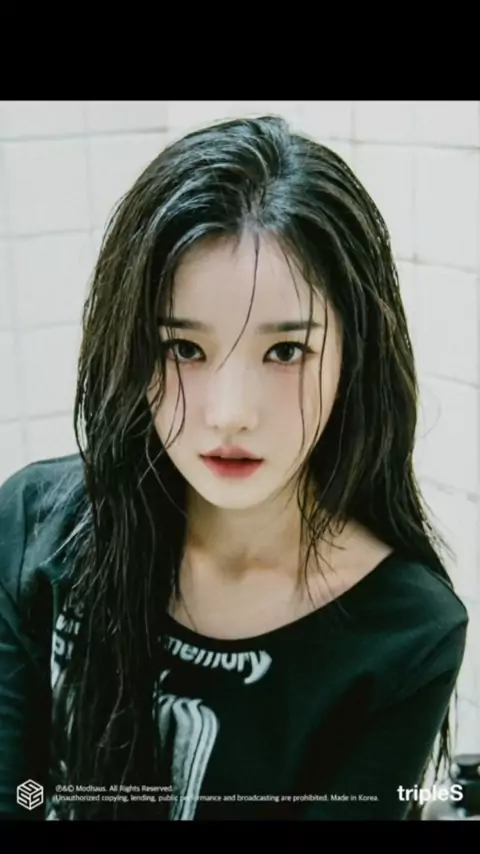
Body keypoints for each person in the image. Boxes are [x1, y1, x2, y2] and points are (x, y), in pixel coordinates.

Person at [0, 115, 468, 821]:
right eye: (183, 349)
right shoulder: (37, 528)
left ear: (353, 356)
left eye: (285, 352)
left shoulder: (403, 634)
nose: (229, 413)